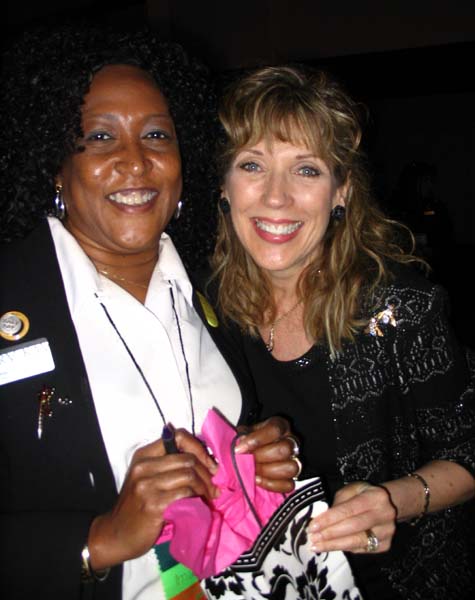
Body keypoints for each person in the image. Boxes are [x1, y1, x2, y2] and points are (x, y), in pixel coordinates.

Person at [0, 27, 299, 600]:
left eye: (156, 135)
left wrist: (263, 448)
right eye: (100, 137)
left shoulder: (221, 288)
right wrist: (97, 541)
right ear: (56, 166)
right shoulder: (13, 297)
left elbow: (252, 417)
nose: (135, 162)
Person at [207, 65, 475, 599]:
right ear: (225, 187)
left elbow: (468, 451)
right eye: (253, 165)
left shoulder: (399, 308)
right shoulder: (208, 307)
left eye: (306, 170)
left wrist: (393, 500)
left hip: (400, 584)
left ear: (341, 192)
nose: (276, 197)